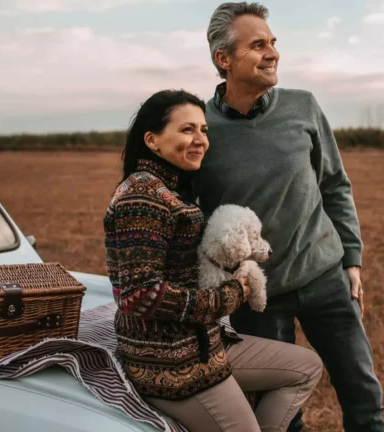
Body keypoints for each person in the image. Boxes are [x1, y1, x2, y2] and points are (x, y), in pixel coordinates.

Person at [195, 3, 384, 431]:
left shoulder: (303, 106)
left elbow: (334, 184)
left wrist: (351, 258)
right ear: (223, 59)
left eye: (273, 43)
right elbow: (195, 217)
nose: (272, 53)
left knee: (363, 395)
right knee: (278, 414)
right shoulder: (202, 130)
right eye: (258, 45)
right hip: (257, 296)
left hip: (325, 278)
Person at [103, 89, 322, 432]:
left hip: (203, 343)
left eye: (204, 130)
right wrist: (234, 293)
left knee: (306, 367)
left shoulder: (171, 189)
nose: (200, 139)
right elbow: (141, 295)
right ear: (152, 140)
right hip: (169, 363)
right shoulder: (143, 197)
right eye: (187, 129)